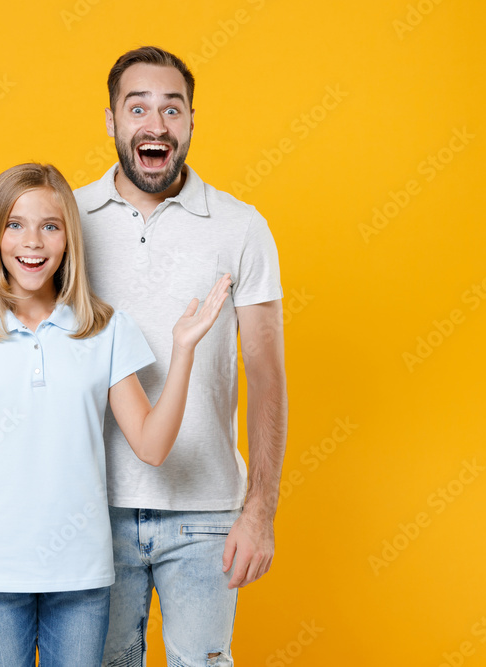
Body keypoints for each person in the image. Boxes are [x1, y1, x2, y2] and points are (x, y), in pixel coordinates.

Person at [0, 162, 231, 666]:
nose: (33, 242)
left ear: (69, 238)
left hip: (82, 575)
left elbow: (152, 446)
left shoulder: (105, 330)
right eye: (15, 225)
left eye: (50, 226)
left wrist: (183, 352)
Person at [74, 46, 289, 666]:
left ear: (192, 122)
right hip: (93, 509)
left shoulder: (240, 227)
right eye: (137, 107)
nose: (156, 124)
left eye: (172, 109)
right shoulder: (66, 220)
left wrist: (260, 513)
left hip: (207, 515)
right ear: (111, 121)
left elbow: (267, 379)